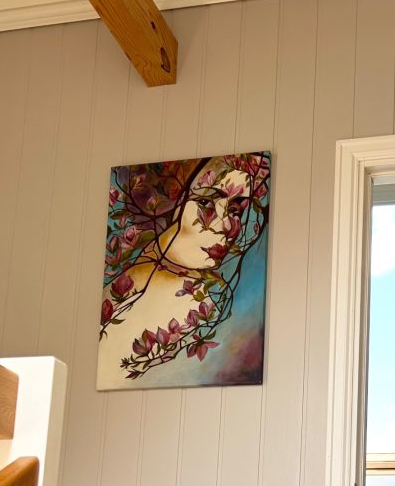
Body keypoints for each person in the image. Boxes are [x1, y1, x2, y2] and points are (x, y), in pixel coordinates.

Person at [97, 152, 269, 388]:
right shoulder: (130, 275)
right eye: (206, 202)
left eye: (235, 211)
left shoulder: (197, 304)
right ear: (170, 201)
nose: (226, 225)